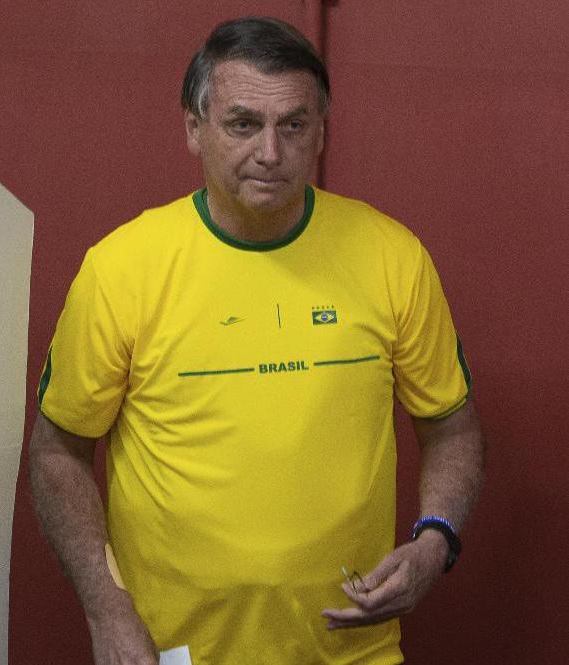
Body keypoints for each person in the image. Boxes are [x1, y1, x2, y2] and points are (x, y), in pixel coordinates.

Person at [28, 16, 485, 665]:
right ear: (195, 127)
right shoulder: (121, 270)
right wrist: (108, 609)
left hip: (351, 650)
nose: (271, 152)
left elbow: (455, 428)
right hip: (171, 651)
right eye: (244, 123)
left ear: (321, 132)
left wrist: (435, 540)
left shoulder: (392, 257)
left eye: (293, 125)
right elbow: (56, 454)